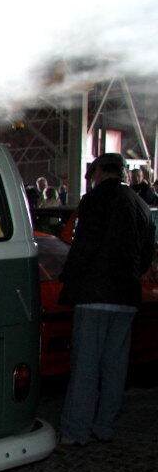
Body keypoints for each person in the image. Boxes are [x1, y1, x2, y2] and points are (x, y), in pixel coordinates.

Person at [58, 153, 155, 445]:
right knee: (115, 366)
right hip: (126, 296)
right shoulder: (140, 205)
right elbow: (146, 255)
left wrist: (70, 281)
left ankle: (76, 431)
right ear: (124, 173)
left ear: (98, 171)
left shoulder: (95, 200)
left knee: (86, 366)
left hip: (93, 295)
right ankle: (105, 427)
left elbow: (84, 246)